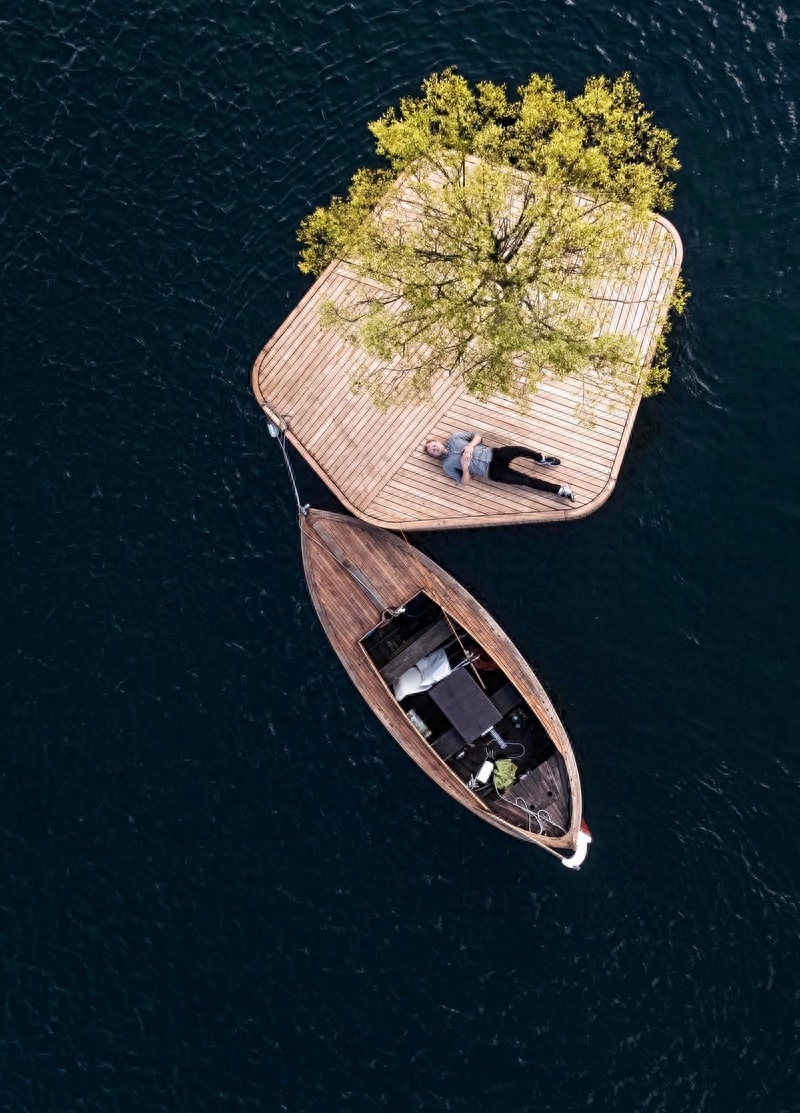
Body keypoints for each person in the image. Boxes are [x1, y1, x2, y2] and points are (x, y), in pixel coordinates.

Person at [425, 431, 574, 501]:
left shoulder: (454, 438)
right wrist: (464, 467)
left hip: (494, 454)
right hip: (492, 471)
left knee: (520, 450)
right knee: (525, 481)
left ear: (437, 441)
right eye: (432, 451)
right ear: (434, 456)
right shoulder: (447, 466)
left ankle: (541, 459)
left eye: (434, 445)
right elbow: (463, 483)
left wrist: (470, 446)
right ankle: (560, 490)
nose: (435, 448)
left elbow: (477, 436)